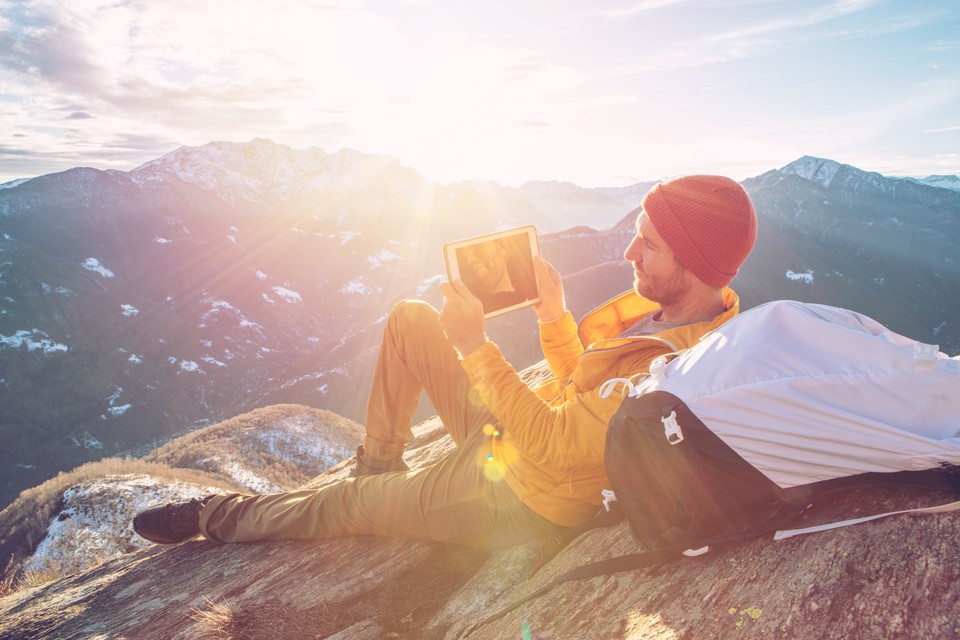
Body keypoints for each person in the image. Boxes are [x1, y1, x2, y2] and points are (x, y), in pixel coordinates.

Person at [133, 174, 758, 549]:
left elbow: (561, 448)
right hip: (514, 441)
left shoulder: (680, 365)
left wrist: (474, 347)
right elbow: (579, 391)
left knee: (347, 509)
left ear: (693, 263)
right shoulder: (666, 312)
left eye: (647, 243)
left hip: (526, 496)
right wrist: (552, 317)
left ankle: (218, 519)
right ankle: (377, 468)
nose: (627, 250)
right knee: (410, 317)